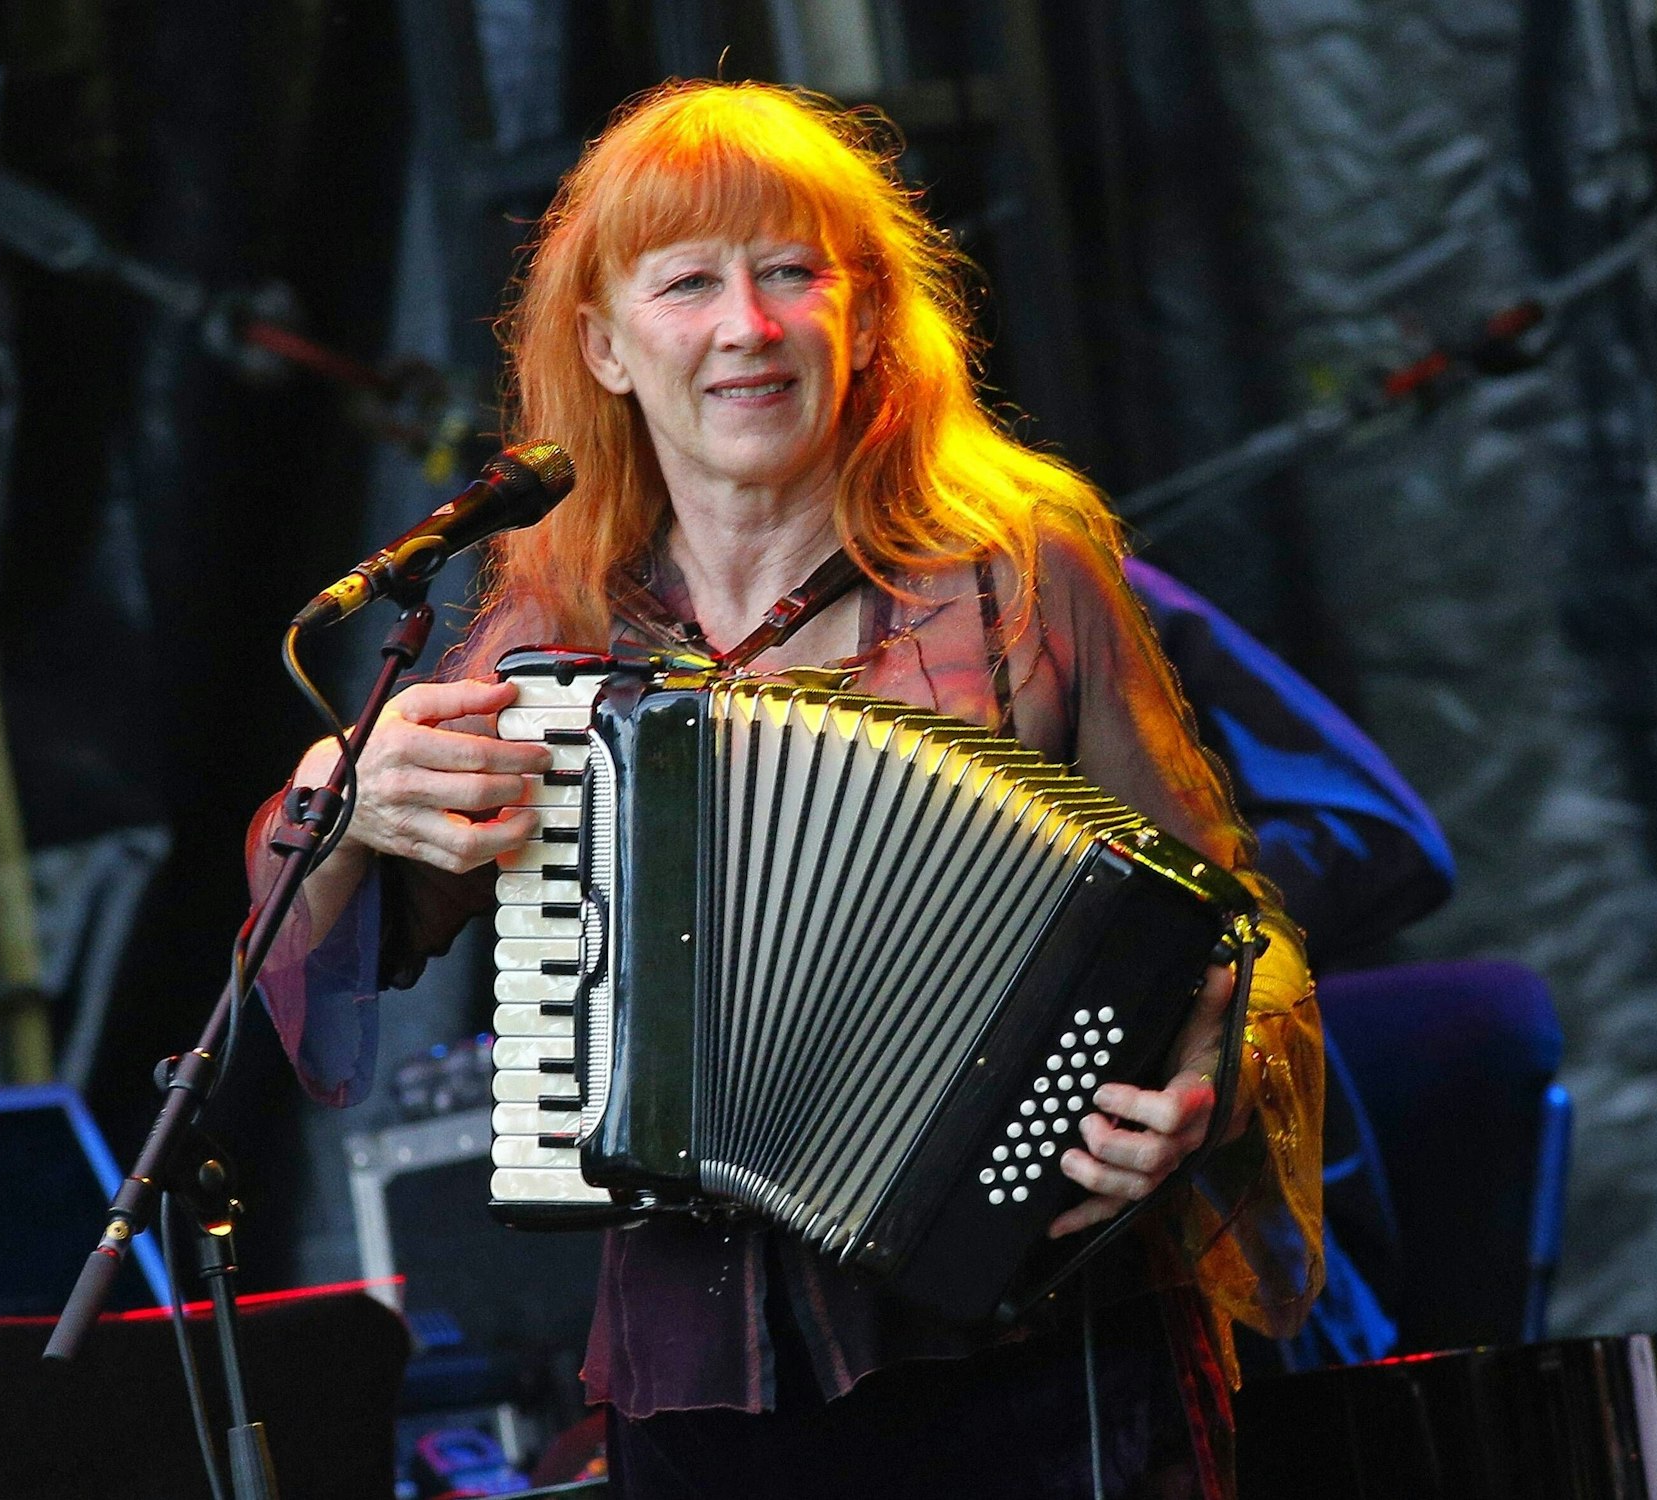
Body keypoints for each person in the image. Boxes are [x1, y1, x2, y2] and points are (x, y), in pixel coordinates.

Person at [250, 81, 1323, 1498]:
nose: (745, 330)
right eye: (688, 283)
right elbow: (326, 960)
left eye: (788, 274)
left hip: (1045, 1349)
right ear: (607, 348)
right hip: (710, 1388)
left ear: (866, 318)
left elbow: (1233, 936)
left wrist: (1209, 1073)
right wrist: (343, 796)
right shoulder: (549, 642)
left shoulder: (1017, 581)